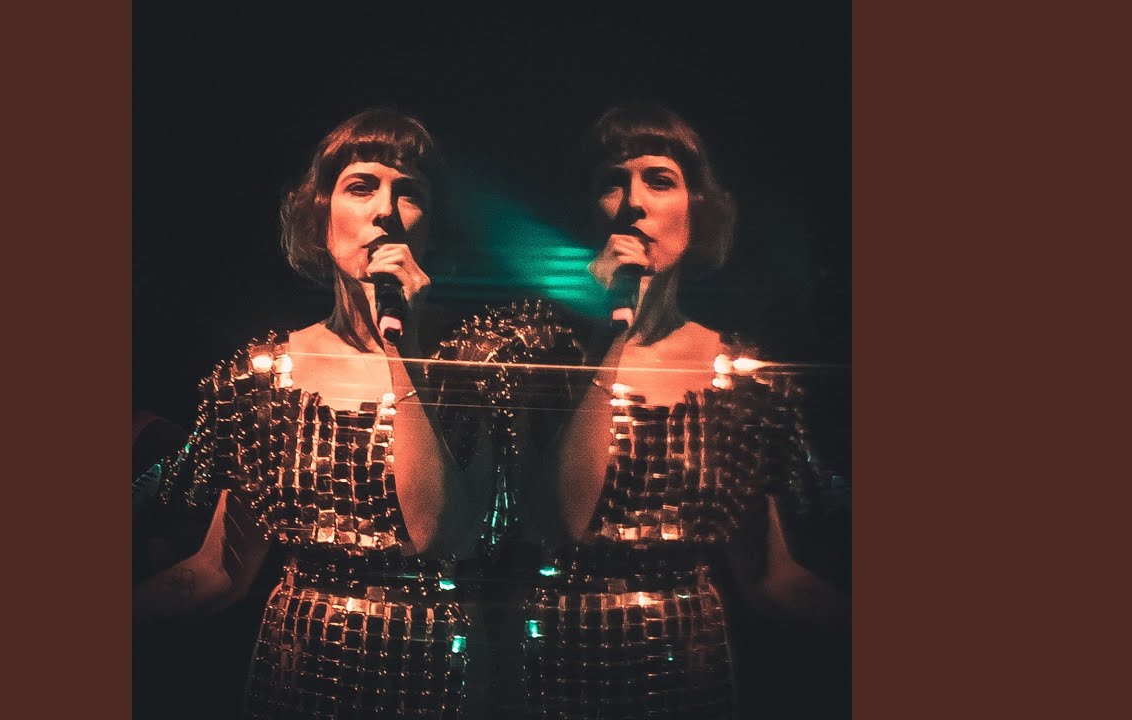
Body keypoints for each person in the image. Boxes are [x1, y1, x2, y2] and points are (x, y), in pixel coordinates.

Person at [134, 108, 489, 719]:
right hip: (301, 680)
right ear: (321, 214)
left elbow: (441, 534)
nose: (385, 211)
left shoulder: (472, 366)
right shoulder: (266, 376)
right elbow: (221, 571)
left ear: (432, 227)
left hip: (430, 679)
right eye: (362, 186)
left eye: (410, 193)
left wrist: (402, 347)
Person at [527, 104, 848, 719]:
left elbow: (770, 577)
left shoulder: (739, 377)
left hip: (689, 679)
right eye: (612, 183)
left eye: (659, 180)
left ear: (697, 208)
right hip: (556, 669)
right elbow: (560, 520)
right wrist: (609, 330)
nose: (633, 203)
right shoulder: (539, 352)